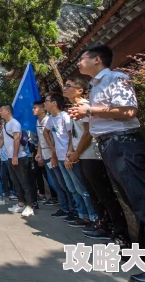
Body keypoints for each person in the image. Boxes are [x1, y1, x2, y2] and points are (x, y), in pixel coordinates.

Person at [69, 44, 145, 282]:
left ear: (97, 60)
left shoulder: (116, 78)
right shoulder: (96, 86)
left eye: (82, 58)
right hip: (111, 145)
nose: (78, 63)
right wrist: (88, 113)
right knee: (135, 203)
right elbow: (106, 113)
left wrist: (91, 108)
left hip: (123, 144)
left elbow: (129, 111)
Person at [64, 76, 129, 242]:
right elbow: (75, 134)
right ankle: (103, 224)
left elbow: (88, 133)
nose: (65, 88)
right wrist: (71, 151)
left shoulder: (84, 106)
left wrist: (77, 152)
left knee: (104, 194)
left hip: (91, 155)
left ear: (79, 90)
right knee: (94, 194)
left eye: (68, 85)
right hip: (81, 155)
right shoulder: (74, 108)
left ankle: (120, 232)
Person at [44, 93, 97, 227]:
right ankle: (81, 214)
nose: (45, 104)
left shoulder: (66, 117)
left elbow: (71, 137)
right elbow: (46, 132)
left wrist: (70, 153)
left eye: (47, 101)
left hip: (70, 158)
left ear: (54, 103)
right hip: (61, 157)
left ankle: (93, 217)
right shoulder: (51, 118)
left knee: (81, 189)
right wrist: (53, 150)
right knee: (70, 188)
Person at [0, 105, 35, 217]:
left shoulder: (14, 123)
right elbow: (2, 139)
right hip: (10, 157)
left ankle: (30, 206)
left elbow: (17, 138)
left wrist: (15, 155)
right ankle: (21, 203)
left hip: (20, 157)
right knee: (16, 182)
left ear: (8, 111)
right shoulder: (6, 125)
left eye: (1, 110)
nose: (0, 112)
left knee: (24, 181)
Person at [33, 100, 63, 210]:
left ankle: (67, 205)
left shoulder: (48, 121)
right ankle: (63, 205)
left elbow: (53, 138)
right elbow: (41, 140)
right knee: (53, 180)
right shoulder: (37, 122)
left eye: (35, 108)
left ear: (42, 109)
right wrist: (39, 153)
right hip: (45, 154)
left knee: (60, 181)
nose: (33, 110)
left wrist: (53, 154)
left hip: (53, 154)